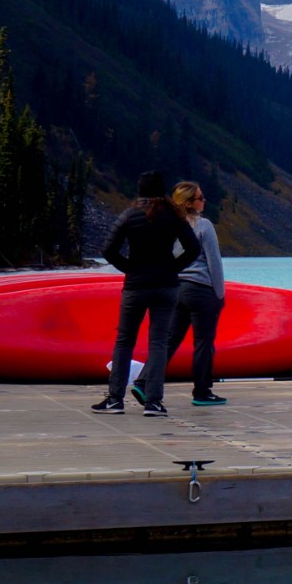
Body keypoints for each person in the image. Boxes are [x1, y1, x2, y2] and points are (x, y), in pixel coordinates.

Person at [92, 172, 201, 418]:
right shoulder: (174, 216)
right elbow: (193, 248)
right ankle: (153, 402)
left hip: (136, 286)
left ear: (140, 191)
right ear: (162, 191)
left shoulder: (129, 215)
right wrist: (174, 266)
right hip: (166, 285)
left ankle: (115, 399)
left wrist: (129, 267)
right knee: (159, 343)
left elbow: (108, 249)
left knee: (124, 341)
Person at [164, 182, 227, 406]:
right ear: (190, 203)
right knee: (203, 342)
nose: (204, 201)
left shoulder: (169, 225)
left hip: (176, 289)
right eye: (201, 197)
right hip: (201, 290)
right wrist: (220, 295)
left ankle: (144, 381)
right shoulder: (204, 225)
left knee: (170, 339)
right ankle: (202, 391)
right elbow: (214, 263)